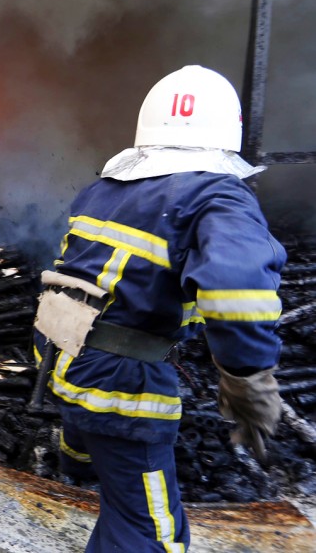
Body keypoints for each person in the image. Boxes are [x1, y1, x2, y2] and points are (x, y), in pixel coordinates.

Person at [32, 65, 286, 552]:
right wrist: (247, 375)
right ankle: (108, 484)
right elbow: (238, 288)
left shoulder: (105, 189)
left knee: (87, 429)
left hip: (56, 348)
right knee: (152, 534)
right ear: (227, 131)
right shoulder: (217, 195)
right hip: (120, 381)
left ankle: (77, 468)